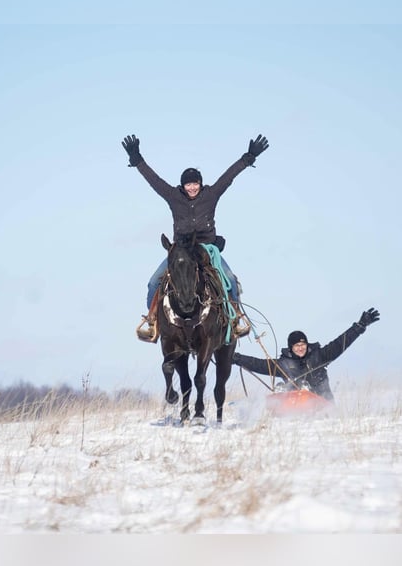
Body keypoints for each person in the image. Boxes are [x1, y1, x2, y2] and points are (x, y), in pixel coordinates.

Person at [122, 133, 269, 342]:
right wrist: (137, 160)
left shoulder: (211, 195)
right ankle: (153, 321)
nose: (192, 188)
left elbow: (228, 177)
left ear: (200, 184)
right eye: (188, 185)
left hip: (207, 251)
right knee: (154, 282)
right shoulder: (174, 196)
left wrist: (248, 158)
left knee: (230, 279)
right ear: (183, 186)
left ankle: (236, 318)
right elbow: (154, 181)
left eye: (195, 184)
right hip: (181, 251)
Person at [232, 308, 381, 402]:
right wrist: (235, 358)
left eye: (303, 345)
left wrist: (360, 326)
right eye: (297, 345)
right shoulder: (283, 364)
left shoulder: (320, 356)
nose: (301, 348)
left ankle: (305, 391)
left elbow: (340, 343)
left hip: (321, 404)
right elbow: (258, 364)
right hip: (295, 408)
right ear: (291, 348)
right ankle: (284, 395)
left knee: (304, 389)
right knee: (284, 387)